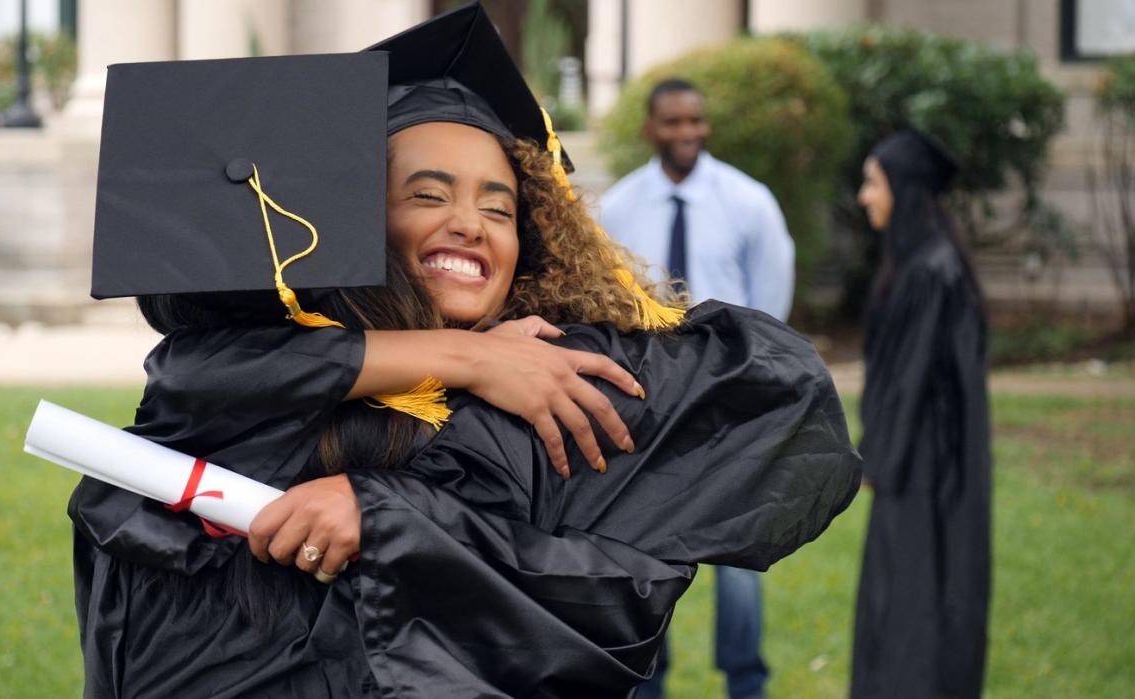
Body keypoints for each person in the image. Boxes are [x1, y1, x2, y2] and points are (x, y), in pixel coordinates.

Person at [69, 4, 860, 697]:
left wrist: (383, 511)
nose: (470, 223)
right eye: (427, 193)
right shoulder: (272, 366)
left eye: (499, 206)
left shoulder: (555, 381)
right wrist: (465, 356)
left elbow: (778, 404)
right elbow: (189, 376)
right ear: (355, 219)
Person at [600, 77, 795, 699]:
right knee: (646, 555)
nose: (687, 133)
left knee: (738, 563)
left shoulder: (749, 201)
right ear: (651, 128)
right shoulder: (619, 208)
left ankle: (746, 683)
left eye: (695, 122)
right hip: (648, 408)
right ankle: (649, 683)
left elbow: (772, 307)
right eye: (673, 122)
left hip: (729, 406)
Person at [850, 129, 991, 699]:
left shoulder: (930, 273)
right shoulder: (931, 263)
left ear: (903, 190)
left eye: (873, 182)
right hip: (931, 465)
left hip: (930, 472)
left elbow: (908, 383)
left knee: (915, 601)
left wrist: (878, 460)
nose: (864, 197)